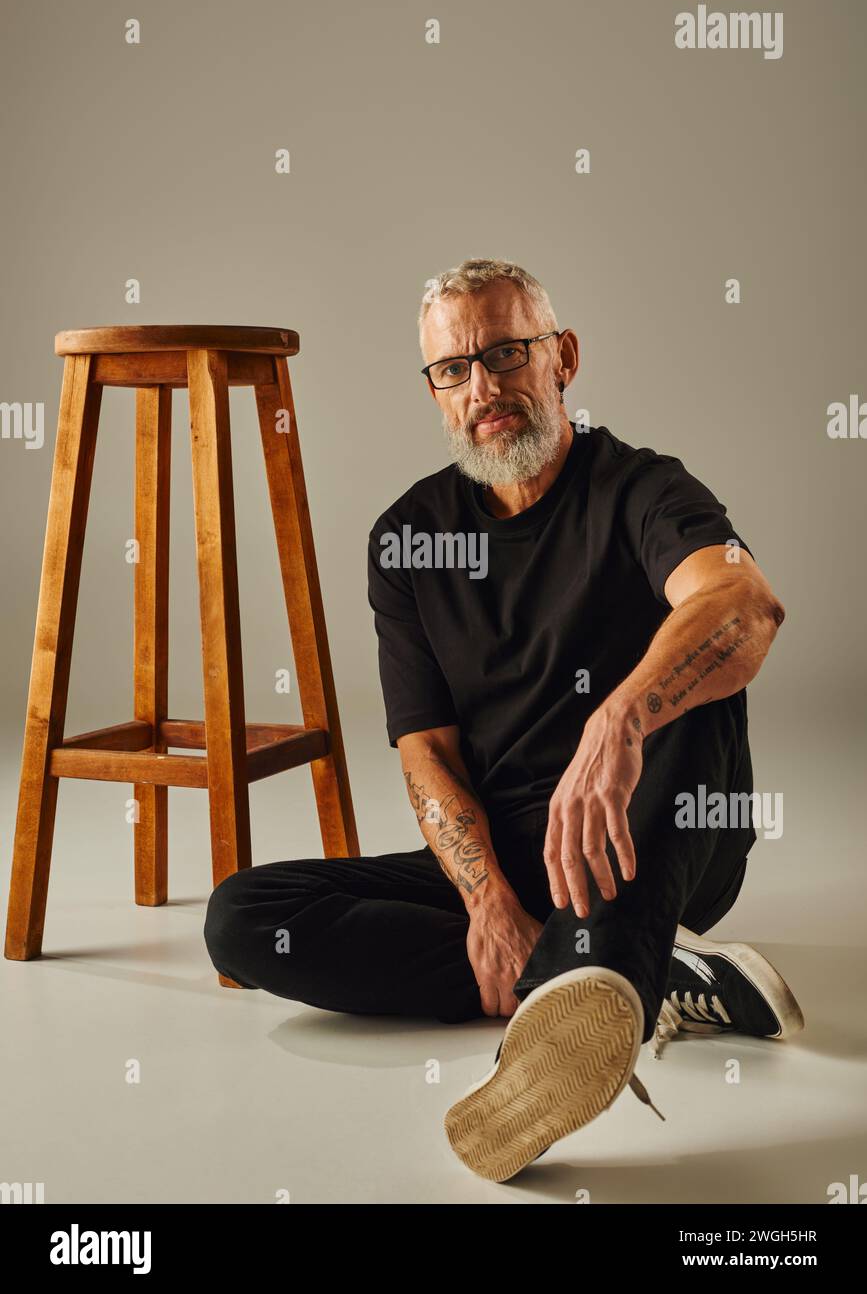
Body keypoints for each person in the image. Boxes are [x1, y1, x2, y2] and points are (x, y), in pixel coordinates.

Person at [204, 258, 804, 1183]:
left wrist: (620, 723)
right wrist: (488, 902)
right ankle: (629, 977)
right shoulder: (408, 537)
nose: (483, 387)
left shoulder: (640, 487)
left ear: (560, 357)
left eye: (506, 354)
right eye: (453, 369)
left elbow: (743, 603)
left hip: (650, 837)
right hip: (518, 859)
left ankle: (602, 975)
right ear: (436, 391)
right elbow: (426, 750)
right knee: (245, 918)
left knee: (690, 692)